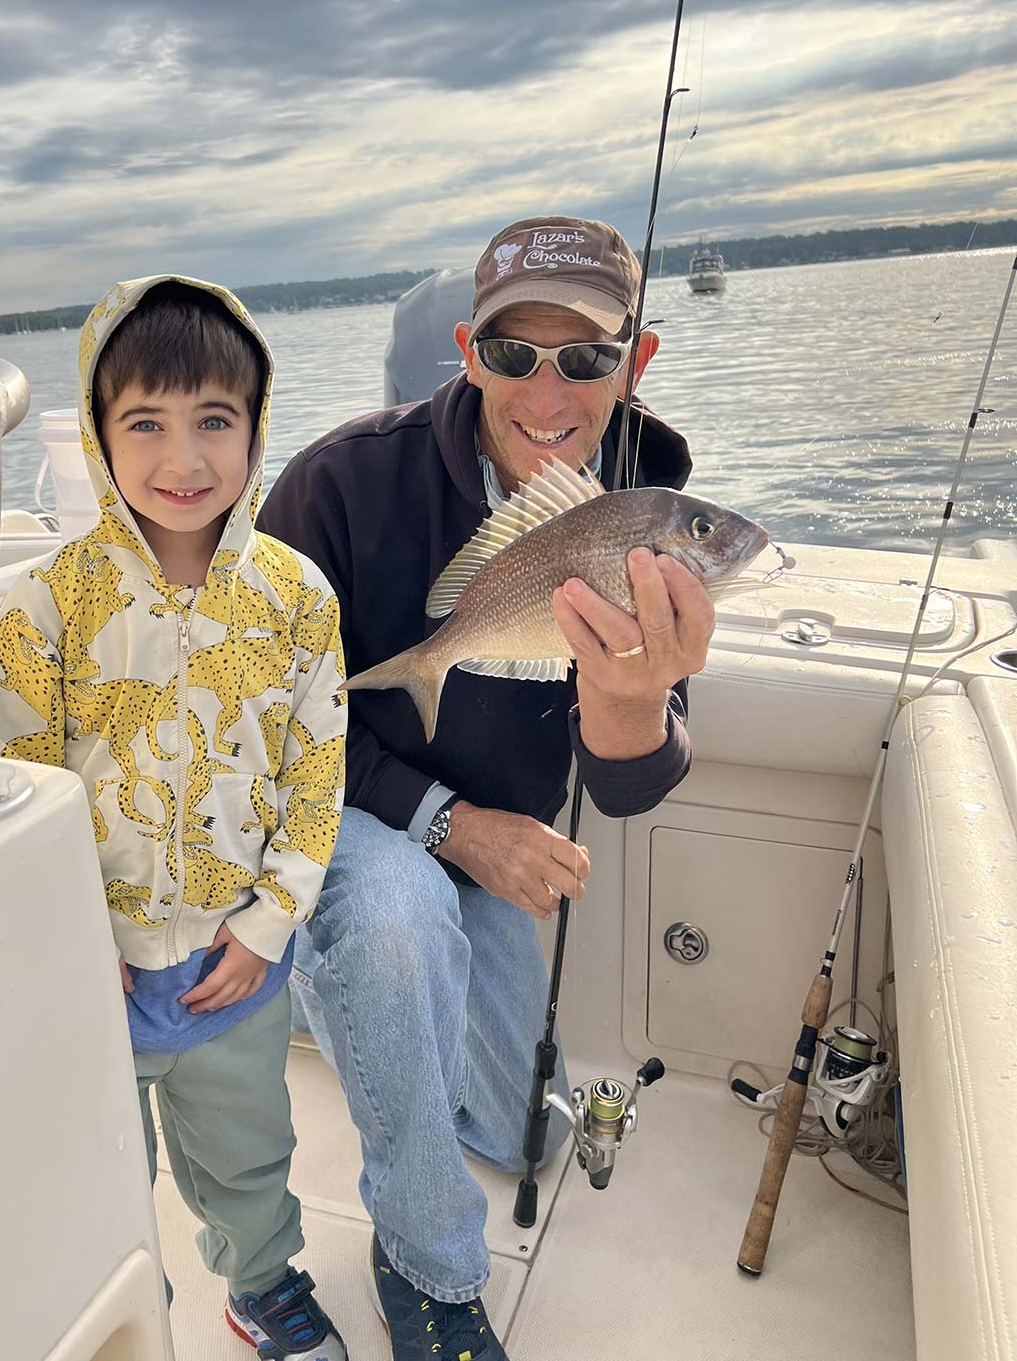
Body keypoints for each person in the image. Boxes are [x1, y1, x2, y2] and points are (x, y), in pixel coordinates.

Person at [259, 216, 715, 1361]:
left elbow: (628, 786)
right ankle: (426, 1266)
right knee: (395, 920)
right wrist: (447, 827)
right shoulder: (333, 487)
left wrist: (627, 704)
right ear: (470, 351)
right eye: (516, 354)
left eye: (587, 354)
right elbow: (267, 730)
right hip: (354, 814)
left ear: (636, 360)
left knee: (522, 1138)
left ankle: (376, 1007)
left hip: (498, 856)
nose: (548, 387)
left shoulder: (652, 501)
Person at [0, 278, 349, 1361]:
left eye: (214, 421)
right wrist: (72, 943)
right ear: (96, 437)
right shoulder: (42, 606)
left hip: (237, 968)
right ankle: (129, 1311)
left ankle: (263, 1282)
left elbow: (315, 781)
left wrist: (267, 926)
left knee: (248, 1150)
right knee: (97, 1165)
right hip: (91, 974)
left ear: (256, 425)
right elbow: (20, 791)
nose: (182, 459)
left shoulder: (299, 599)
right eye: (144, 422)